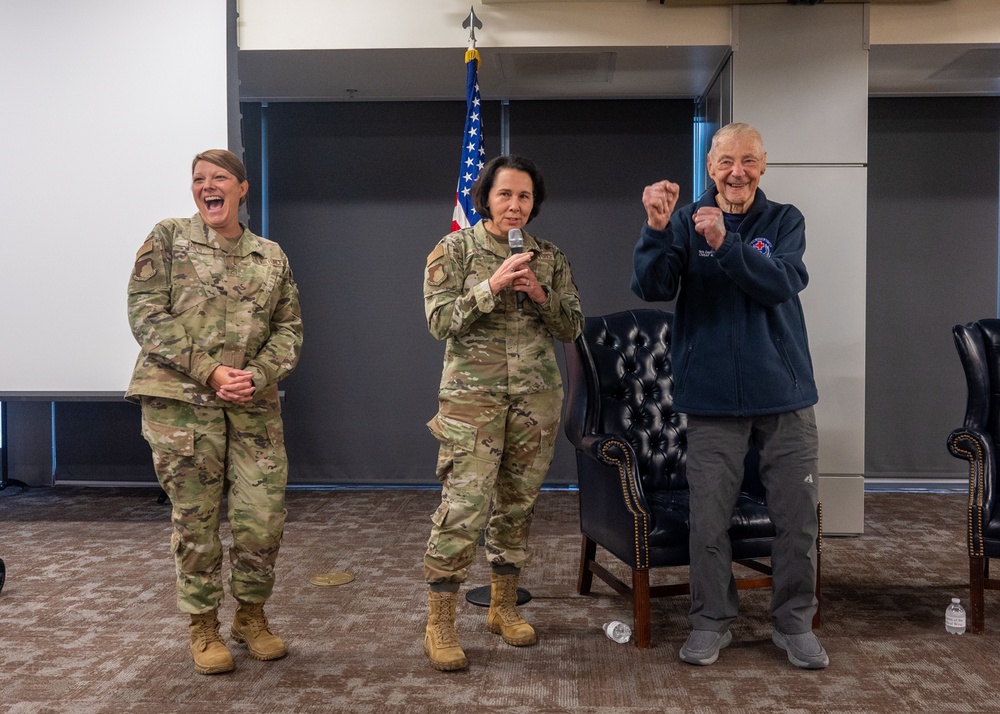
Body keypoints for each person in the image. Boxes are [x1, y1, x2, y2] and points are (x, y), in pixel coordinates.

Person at [631, 123, 827, 670]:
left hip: (784, 396)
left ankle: (794, 623)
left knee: (796, 520)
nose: (736, 172)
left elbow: (778, 284)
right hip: (712, 399)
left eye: (747, 161)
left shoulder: (785, 220)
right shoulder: (685, 221)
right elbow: (653, 286)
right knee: (709, 519)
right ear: (709, 167)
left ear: (764, 164)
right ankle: (711, 621)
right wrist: (655, 229)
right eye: (724, 162)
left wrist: (725, 244)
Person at [126, 149, 303, 675]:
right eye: (198, 179)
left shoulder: (271, 256)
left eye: (219, 178)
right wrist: (209, 370)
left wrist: (260, 374)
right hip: (183, 405)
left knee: (262, 517)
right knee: (196, 520)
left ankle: (251, 617)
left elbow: (289, 328)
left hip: (252, 404)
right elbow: (146, 314)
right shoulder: (168, 237)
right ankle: (202, 626)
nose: (207, 186)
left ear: (242, 188)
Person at [421, 155, 584, 671]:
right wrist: (489, 288)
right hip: (474, 402)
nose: (514, 205)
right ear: (485, 197)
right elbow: (439, 320)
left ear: (535, 204)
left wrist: (539, 293)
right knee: (465, 508)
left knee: (517, 508)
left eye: (525, 197)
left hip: (535, 401)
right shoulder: (454, 248)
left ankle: (502, 609)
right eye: (505, 194)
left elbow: (572, 326)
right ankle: (440, 624)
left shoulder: (550, 257)